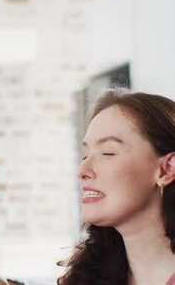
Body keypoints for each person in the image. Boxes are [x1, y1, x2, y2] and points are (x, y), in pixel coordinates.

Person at [58, 90, 175, 284]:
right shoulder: (86, 275)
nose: (82, 170)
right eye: (85, 155)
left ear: (166, 169)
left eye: (107, 152)